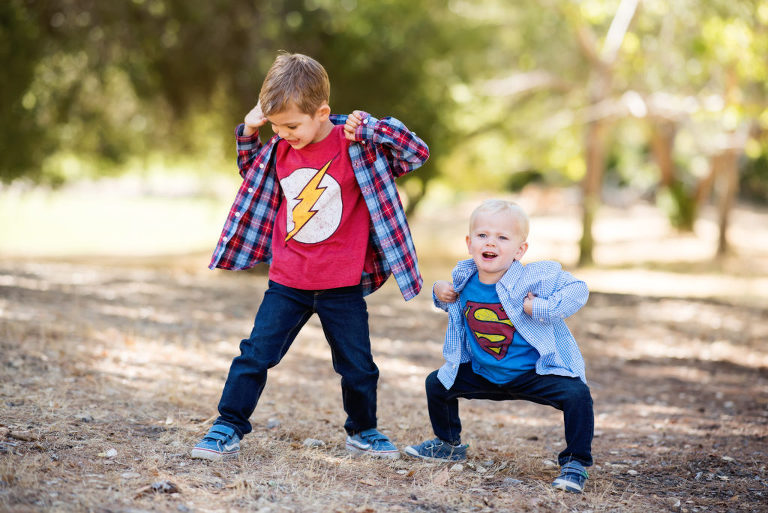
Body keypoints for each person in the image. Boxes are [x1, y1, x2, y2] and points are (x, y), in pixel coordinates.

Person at [191, 52, 429, 462]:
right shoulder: (279, 150)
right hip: (288, 281)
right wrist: (249, 129)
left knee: (358, 366)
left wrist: (372, 126)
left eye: (292, 125)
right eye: (277, 126)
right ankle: (227, 424)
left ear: (323, 113)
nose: (283, 134)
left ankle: (364, 430)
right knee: (255, 354)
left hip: (343, 284)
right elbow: (250, 170)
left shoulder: (357, 145)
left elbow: (415, 153)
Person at [404, 199, 594, 493]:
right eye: (482, 235)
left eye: (502, 237)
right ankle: (448, 444)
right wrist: (439, 293)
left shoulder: (533, 278)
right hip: (485, 371)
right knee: (437, 384)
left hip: (532, 373)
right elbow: (452, 304)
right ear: (469, 243)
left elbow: (578, 290)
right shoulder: (464, 277)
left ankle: (575, 463)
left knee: (577, 395)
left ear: (520, 250)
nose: (490, 242)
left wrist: (541, 307)